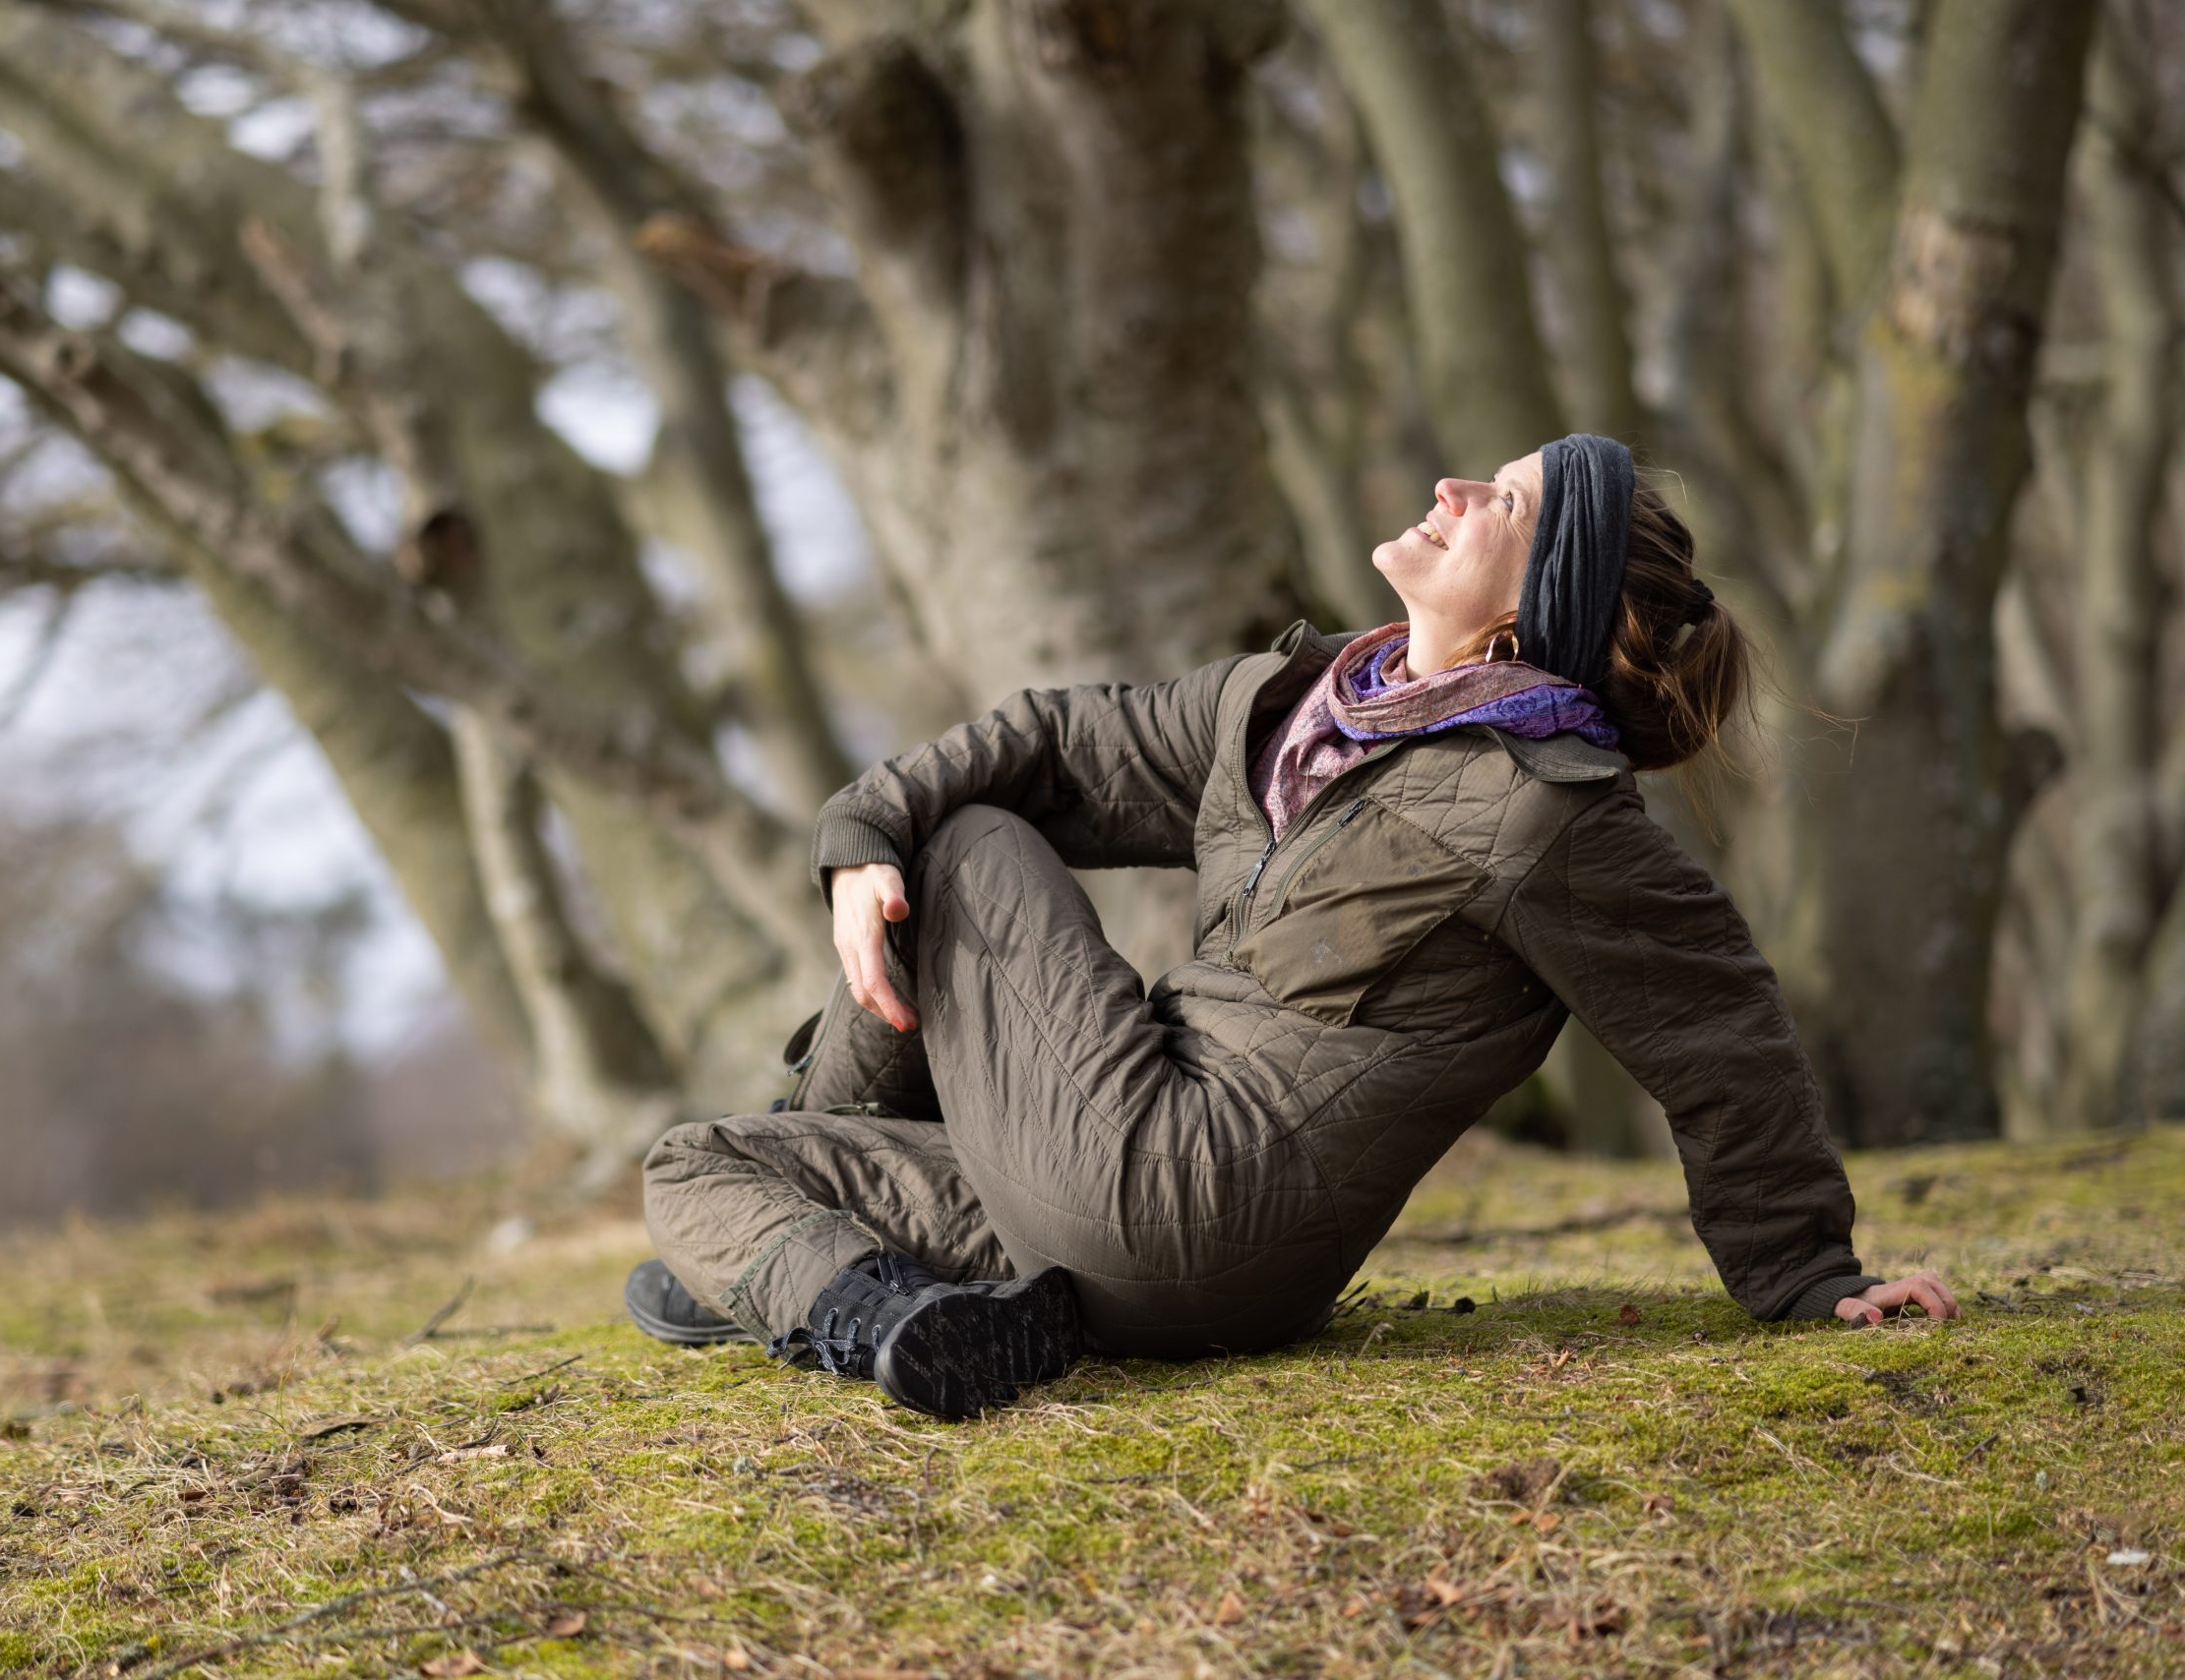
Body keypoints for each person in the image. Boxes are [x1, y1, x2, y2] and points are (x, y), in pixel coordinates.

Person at [624, 433, 1961, 1420]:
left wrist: (1803, 1274)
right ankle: (888, 1317)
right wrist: (858, 839)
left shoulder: (1542, 810)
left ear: (1538, 607)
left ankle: (786, 1267)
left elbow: (1718, 1027)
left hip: (1192, 1189)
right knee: (692, 1164)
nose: (1448, 487)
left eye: (1501, 502)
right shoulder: (1299, 704)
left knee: (968, 843)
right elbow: (1056, 741)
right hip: (1125, 1234)